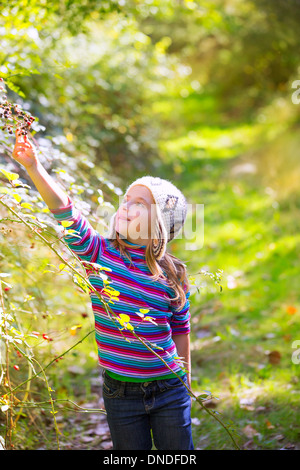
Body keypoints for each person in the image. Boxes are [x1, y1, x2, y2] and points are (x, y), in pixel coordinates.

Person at [11, 129, 194, 450]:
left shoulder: (173, 273)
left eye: (139, 204)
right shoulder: (99, 253)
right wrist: (34, 168)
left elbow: (181, 327)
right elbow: (64, 210)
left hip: (169, 388)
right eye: (126, 200)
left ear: (160, 227)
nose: (126, 206)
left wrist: (186, 375)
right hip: (120, 394)